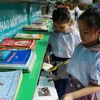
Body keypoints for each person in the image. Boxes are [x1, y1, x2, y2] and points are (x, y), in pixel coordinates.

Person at [61, 8, 100, 100]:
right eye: (80, 30)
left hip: (85, 95)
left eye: (85, 32)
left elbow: (97, 85)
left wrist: (73, 95)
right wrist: (59, 76)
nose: (81, 35)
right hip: (73, 88)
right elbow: (74, 67)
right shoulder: (80, 46)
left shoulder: (97, 55)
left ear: (99, 32)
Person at [44, 6, 81, 99]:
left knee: (64, 83)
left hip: (68, 61)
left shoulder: (75, 34)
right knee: (54, 81)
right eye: (56, 26)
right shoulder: (53, 32)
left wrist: (74, 59)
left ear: (69, 22)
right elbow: (49, 44)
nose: (59, 29)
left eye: (62, 27)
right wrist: (47, 52)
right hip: (55, 60)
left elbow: (81, 48)